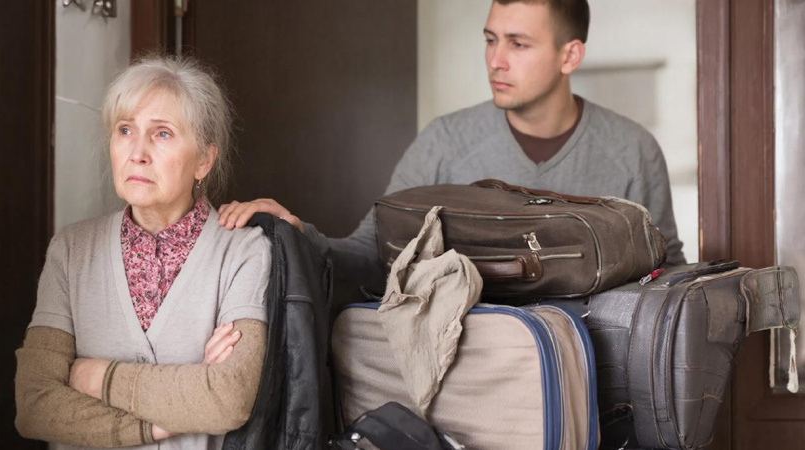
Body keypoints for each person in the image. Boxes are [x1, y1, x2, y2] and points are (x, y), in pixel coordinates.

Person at [217, 0, 686, 294]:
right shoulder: (445, 142)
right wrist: (298, 234)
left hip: (593, 383)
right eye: (491, 40)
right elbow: (372, 254)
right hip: (466, 379)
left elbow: (664, 274)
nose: (496, 60)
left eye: (518, 44)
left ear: (570, 56)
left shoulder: (632, 150)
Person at [14, 56, 271, 449]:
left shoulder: (243, 251)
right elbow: (35, 406)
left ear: (204, 160)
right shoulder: (71, 250)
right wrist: (161, 422)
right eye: (125, 130)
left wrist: (94, 377)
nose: (137, 152)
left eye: (162, 133)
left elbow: (227, 399)